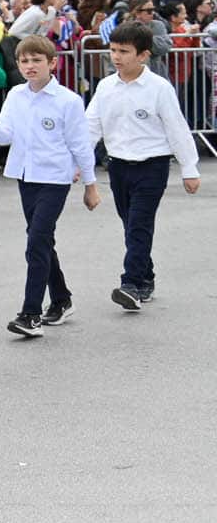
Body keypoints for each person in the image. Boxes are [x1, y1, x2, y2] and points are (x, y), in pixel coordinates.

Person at [0, 35, 97, 338]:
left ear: (52, 63)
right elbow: (6, 135)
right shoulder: (16, 95)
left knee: (36, 241)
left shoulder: (68, 100)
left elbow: (80, 145)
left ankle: (31, 314)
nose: (30, 66)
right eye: (24, 61)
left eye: (36, 60)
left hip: (55, 178)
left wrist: (90, 184)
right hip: (26, 176)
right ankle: (61, 298)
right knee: (40, 240)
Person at [84, 21, 201, 312]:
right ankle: (146, 276)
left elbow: (177, 128)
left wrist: (189, 168)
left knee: (139, 224)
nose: (116, 57)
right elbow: (90, 127)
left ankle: (131, 284)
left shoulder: (159, 88)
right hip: (118, 166)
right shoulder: (106, 87)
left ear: (143, 55)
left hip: (152, 166)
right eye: (113, 50)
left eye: (124, 51)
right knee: (130, 226)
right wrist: (78, 163)